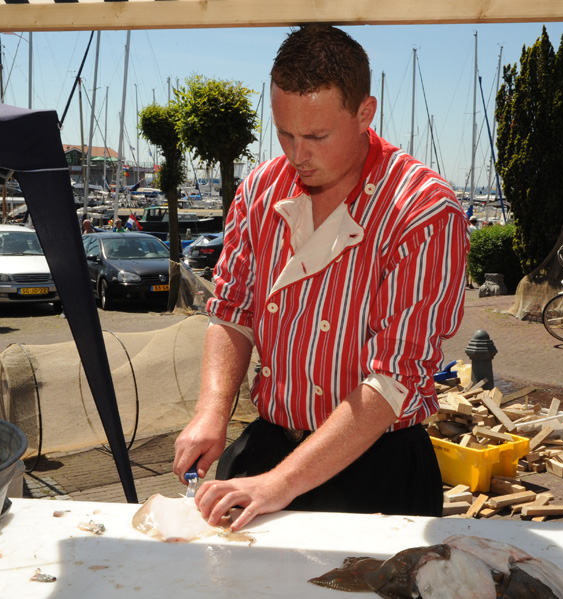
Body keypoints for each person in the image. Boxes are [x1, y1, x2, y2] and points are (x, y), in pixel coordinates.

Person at [173, 24, 468, 532]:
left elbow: (395, 377)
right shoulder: (259, 190)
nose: (296, 155)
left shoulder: (424, 210)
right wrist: (212, 410)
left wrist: (280, 484)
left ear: (364, 113)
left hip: (378, 465)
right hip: (269, 446)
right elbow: (233, 310)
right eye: (284, 133)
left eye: (316, 137)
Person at [466, 216, 478, 289]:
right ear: (476, 222)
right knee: (471, 267)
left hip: (466, 248)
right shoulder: (475, 229)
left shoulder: (468, 228)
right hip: (472, 248)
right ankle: (470, 283)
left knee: (466, 266)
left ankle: (466, 282)